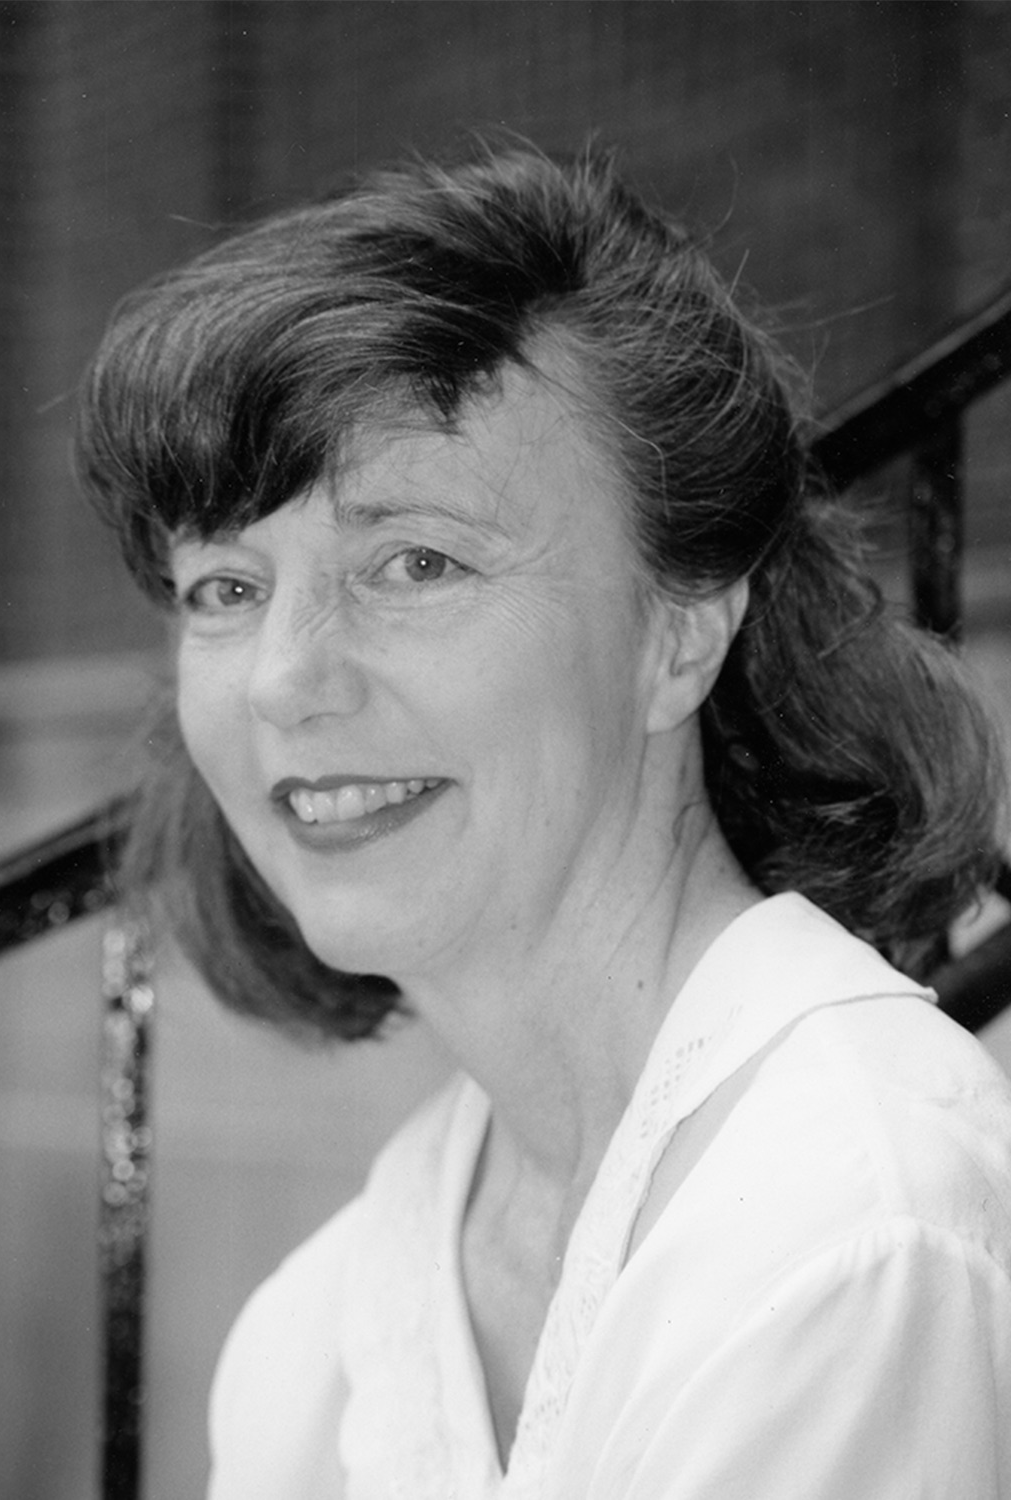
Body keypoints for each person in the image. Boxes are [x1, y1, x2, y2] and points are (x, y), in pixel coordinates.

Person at [78, 146, 1011, 1497]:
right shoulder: (317, 1328)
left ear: (680, 631)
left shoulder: (851, 1232)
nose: (283, 679)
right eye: (225, 588)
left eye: (415, 562)